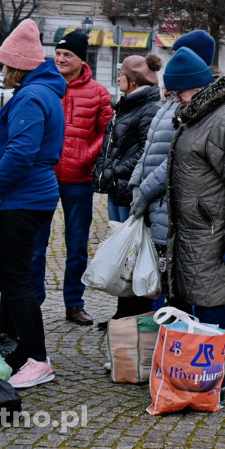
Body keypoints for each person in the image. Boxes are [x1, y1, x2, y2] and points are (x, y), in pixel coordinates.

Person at [0, 19, 66, 388]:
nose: (2, 72)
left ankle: (37, 358)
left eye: (5, 65)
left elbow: (23, 152)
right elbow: (25, 143)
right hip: (32, 197)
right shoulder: (43, 92)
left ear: (16, 65)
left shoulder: (30, 95)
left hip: (19, 200)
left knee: (15, 283)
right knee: (15, 281)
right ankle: (15, 350)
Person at [164, 47, 225, 326]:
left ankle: (210, 367)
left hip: (211, 230)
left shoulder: (222, 118)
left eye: (178, 94)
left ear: (196, 87)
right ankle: (191, 363)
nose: (175, 100)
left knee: (209, 301)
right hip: (196, 228)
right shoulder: (198, 113)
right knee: (194, 296)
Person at [126, 34, 215, 319]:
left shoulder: (190, 103)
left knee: (180, 284)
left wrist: (146, 191)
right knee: (166, 281)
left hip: (169, 201)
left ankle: (188, 345)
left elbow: (175, 159)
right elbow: (150, 148)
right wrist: (135, 184)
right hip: (154, 198)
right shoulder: (170, 100)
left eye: (179, 54)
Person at [29, 30, 113, 326]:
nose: (61, 59)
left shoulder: (98, 92)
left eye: (68, 55)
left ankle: (74, 303)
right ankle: (33, 302)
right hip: (42, 177)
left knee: (77, 245)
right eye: (59, 54)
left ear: (81, 60)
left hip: (79, 179)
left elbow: (108, 131)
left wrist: (87, 155)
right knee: (36, 245)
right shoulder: (41, 85)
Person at [93, 54, 162, 322]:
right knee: (122, 250)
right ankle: (123, 312)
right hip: (117, 188)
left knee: (133, 251)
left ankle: (133, 314)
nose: (118, 77)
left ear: (133, 80)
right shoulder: (127, 105)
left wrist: (116, 169)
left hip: (129, 190)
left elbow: (147, 152)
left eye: (121, 73)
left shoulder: (148, 108)